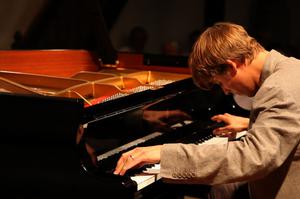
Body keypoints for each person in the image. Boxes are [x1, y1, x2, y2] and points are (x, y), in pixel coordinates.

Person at [114, 22, 300, 198]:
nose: (226, 91)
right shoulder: (291, 68)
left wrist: (163, 153)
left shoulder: (279, 88)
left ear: (231, 66)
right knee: (222, 189)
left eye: (221, 83)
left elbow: (252, 158)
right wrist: (249, 123)